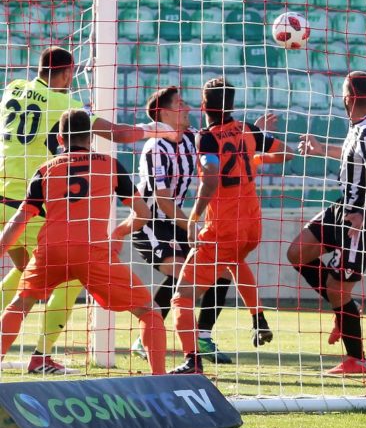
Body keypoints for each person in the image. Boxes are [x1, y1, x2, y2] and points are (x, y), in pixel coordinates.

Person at [0, 46, 173, 374]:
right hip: (39, 210)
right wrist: (154, 129)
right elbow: (118, 134)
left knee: (25, 283)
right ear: (68, 73)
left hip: (6, 198)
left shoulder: (13, 88)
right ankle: (42, 356)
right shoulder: (66, 108)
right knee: (69, 282)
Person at [170, 76, 293, 374]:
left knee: (182, 296)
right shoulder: (248, 129)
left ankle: (192, 360)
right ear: (232, 104)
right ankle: (258, 318)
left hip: (223, 227)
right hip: (252, 225)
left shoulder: (207, 137)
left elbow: (211, 177)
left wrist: (194, 218)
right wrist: (251, 159)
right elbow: (286, 152)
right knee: (235, 262)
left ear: (203, 105)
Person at [287, 71, 366, 375]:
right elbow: (352, 157)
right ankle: (343, 311)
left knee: (338, 290)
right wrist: (321, 150)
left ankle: (357, 359)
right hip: (343, 208)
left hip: (362, 216)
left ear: (348, 98)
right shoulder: (361, 126)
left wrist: (363, 214)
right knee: (297, 253)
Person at [130, 86, 233, 364]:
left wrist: (250, 134)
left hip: (177, 220)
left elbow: (222, 144)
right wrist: (192, 224)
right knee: (180, 271)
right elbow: (163, 201)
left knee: (221, 271)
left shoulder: (191, 138)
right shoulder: (155, 148)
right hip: (149, 222)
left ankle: (203, 336)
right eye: (180, 103)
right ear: (164, 113)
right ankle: (144, 338)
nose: (187, 108)